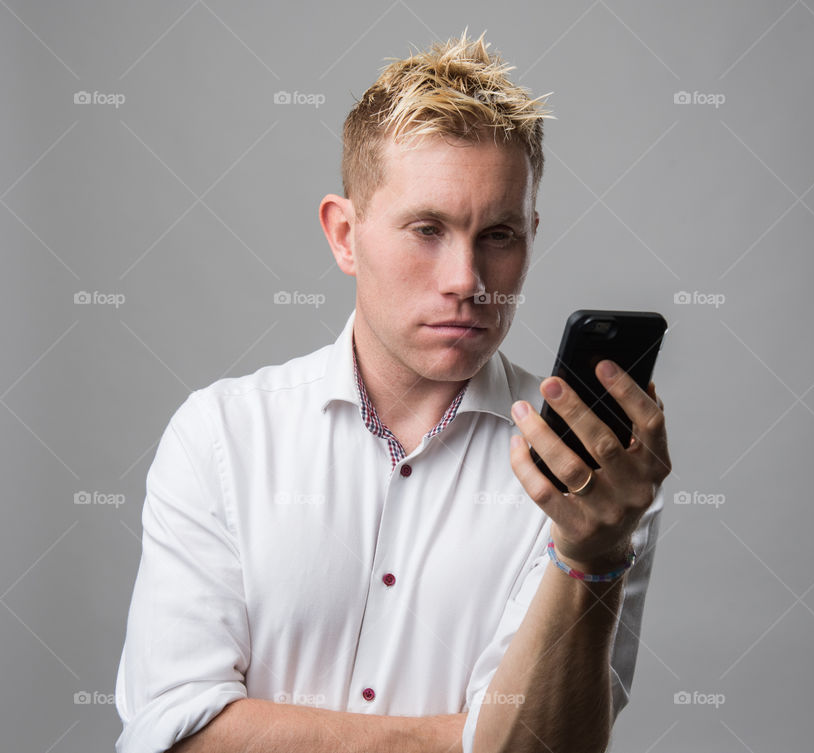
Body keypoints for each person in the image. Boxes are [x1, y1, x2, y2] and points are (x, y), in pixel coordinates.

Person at [115, 29, 670, 753]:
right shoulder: (221, 437)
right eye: (427, 228)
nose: (465, 280)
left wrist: (591, 554)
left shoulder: (593, 476)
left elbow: (548, 746)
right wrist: (462, 740)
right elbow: (170, 733)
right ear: (344, 234)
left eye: (498, 235)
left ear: (531, 235)